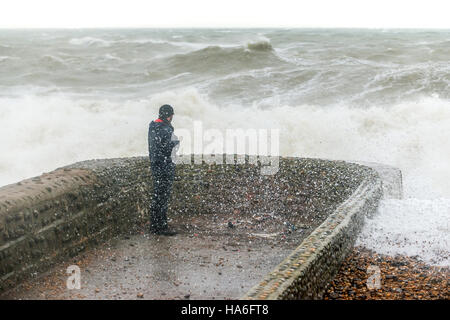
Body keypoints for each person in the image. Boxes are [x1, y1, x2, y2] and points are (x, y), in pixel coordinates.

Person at [148, 104, 179, 236]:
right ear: (169, 116)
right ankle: (161, 227)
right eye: (171, 115)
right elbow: (167, 148)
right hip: (164, 166)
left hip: (156, 165)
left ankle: (155, 225)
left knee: (157, 195)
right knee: (162, 197)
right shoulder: (165, 129)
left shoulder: (153, 127)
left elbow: (156, 147)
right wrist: (176, 142)